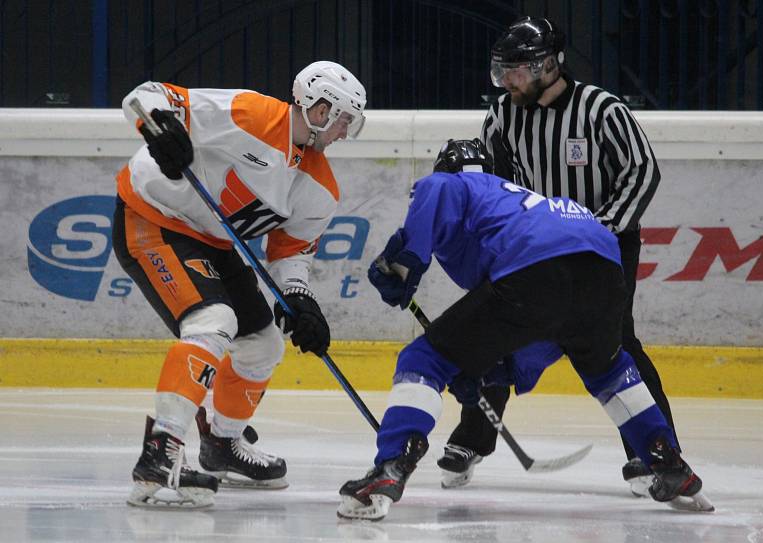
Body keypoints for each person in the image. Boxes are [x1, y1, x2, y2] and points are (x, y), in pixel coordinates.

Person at [336, 139, 710, 521]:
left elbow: (437, 195)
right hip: (604, 273)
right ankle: (668, 462)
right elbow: (539, 326)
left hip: (537, 270)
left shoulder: (456, 184)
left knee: (422, 360)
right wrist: (486, 368)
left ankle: (391, 467)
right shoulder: (526, 205)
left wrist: (401, 267)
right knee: (609, 372)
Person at [112, 61, 367, 508]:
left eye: (352, 122)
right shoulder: (250, 114)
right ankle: (159, 455)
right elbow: (146, 92)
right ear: (318, 107)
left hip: (214, 241)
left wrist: (300, 301)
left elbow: (290, 254)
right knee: (214, 320)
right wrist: (161, 128)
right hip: (154, 217)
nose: (345, 131)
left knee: (264, 343)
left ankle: (222, 445)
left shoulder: (319, 189)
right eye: (343, 118)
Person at [438, 16, 675, 496]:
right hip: (534, 246)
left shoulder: (601, 109)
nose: (507, 81)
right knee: (496, 332)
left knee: (615, 344)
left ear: (548, 66)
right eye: (502, 70)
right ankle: (472, 439)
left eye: (517, 70)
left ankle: (653, 453)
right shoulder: (503, 114)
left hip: (602, 247)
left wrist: (602, 232)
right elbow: (495, 184)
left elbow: (641, 171)